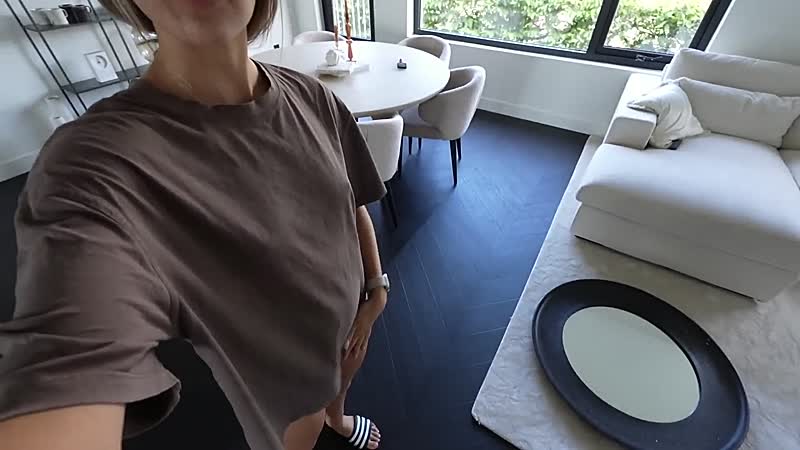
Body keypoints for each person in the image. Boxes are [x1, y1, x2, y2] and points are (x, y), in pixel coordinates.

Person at [0, 1, 388, 449]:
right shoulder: (94, 166)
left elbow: (353, 201)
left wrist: (375, 289)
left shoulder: (313, 97)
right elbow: (68, 364)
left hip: (351, 323)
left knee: (341, 383)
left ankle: (339, 418)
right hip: (288, 389)